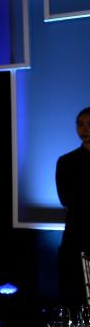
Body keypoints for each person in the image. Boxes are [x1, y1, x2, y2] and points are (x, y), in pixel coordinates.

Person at [55, 106, 90, 310]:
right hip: (76, 237)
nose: (84, 129)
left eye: (89, 124)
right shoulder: (67, 161)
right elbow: (66, 198)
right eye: (80, 124)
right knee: (74, 298)